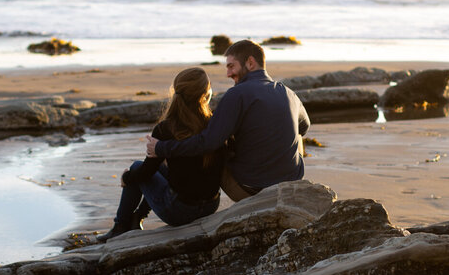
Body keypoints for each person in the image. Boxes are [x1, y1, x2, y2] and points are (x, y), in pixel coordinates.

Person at [146, 39, 309, 201]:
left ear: (250, 63)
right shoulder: (289, 93)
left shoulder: (236, 94)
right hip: (290, 184)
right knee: (297, 135)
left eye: (231, 66)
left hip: (250, 189)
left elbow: (208, 142)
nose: (228, 74)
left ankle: (196, 202)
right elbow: (304, 126)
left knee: (218, 150)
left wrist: (162, 148)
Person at [97, 67, 225, 243]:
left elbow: (146, 172)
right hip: (211, 205)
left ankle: (120, 226)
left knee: (136, 167)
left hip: (180, 211)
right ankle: (136, 218)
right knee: (163, 168)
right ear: (206, 94)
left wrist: (127, 177)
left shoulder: (165, 128)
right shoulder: (215, 124)